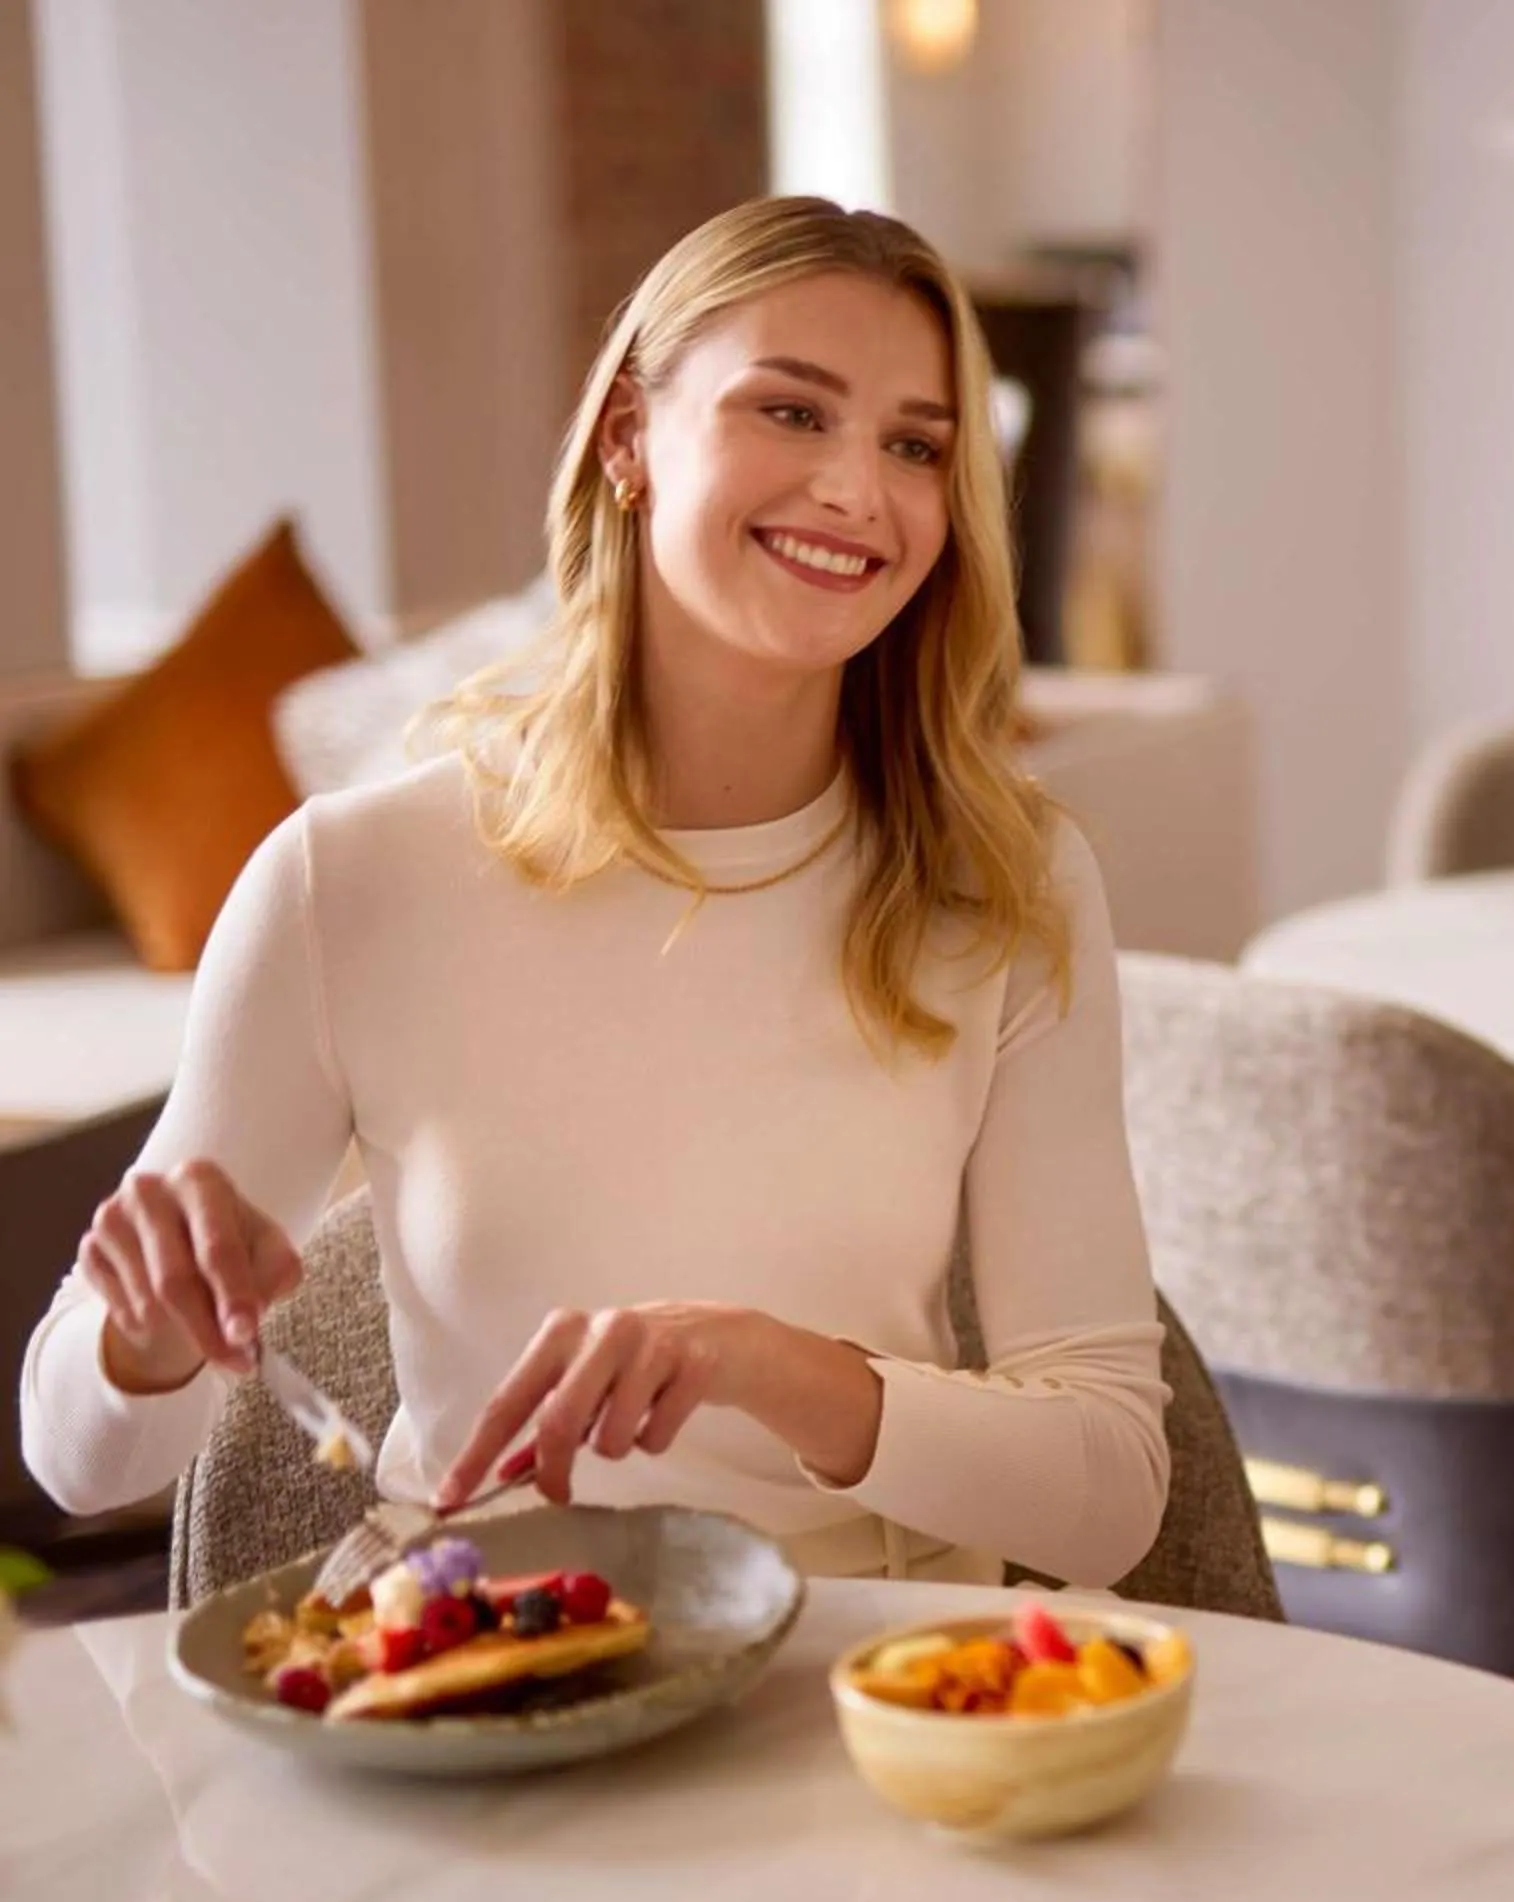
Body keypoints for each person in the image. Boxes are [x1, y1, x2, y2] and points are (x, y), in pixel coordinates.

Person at [15, 198, 1170, 1587]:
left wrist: (774, 1370)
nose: (860, 491)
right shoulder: (351, 882)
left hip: (876, 1702)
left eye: (916, 444)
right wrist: (142, 1335)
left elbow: (1111, 1494)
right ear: (628, 435)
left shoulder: (1003, 883)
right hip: (486, 1692)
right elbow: (82, 1464)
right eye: (793, 414)